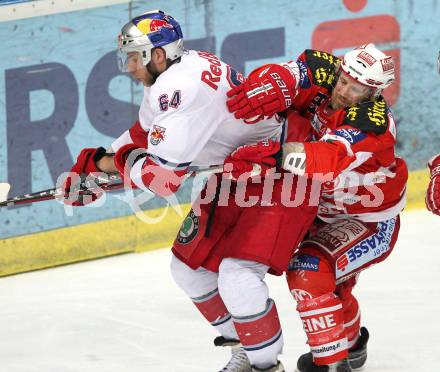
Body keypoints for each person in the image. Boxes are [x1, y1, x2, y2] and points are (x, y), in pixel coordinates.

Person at [63, 10, 319, 372]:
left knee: (237, 276)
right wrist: (92, 165)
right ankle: (246, 351)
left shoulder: (179, 88)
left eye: (134, 57)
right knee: (189, 270)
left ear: (158, 55)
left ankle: (265, 365)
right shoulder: (176, 73)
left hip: (277, 177)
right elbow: (141, 138)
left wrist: (107, 166)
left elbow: (161, 180)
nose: (130, 67)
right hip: (235, 175)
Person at [225, 44, 408, 372]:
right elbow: (295, 74)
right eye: (344, 80)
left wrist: (276, 155)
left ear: (374, 92)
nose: (344, 90)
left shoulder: (372, 122)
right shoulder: (326, 70)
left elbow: (328, 157)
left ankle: (331, 365)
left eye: (357, 88)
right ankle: (351, 347)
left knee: (309, 270)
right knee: (335, 287)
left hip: (370, 219)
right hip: (323, 209)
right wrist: (273, 83)